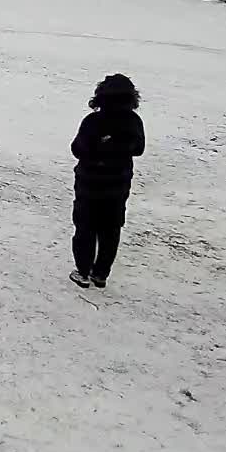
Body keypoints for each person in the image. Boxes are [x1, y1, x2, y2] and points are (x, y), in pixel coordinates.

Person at [69, 73, 145, 290]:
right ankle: (101, 274)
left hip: (89, 185)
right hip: (117, 187)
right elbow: (138, 149)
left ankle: (83, 272)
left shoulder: (92, 121)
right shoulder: (133, 122)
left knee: (85, 228)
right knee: (111, 229)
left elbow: (77, 149)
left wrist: (100, 147)